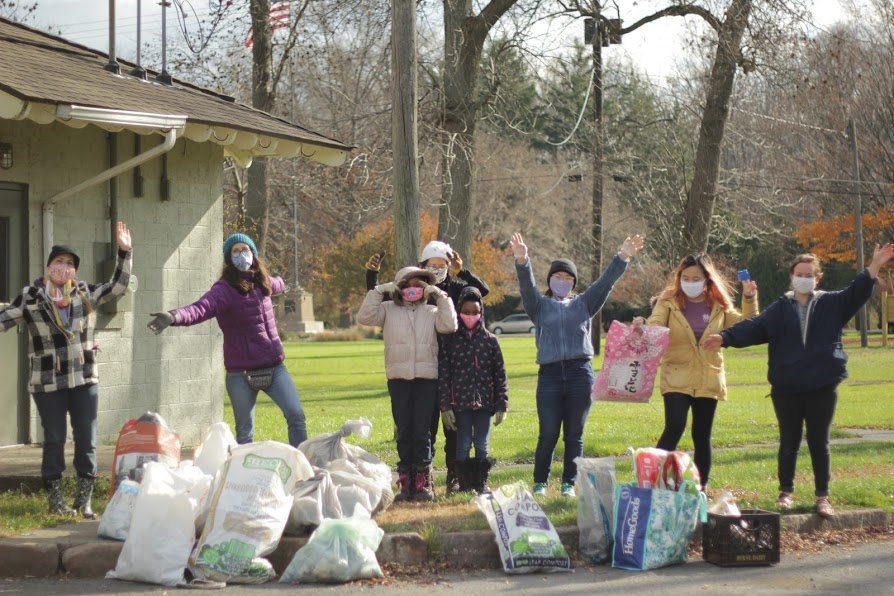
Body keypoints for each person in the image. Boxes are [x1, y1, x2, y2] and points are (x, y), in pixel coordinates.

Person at [703, 243, 894, 518]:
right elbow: (754, 327)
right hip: (787, 388)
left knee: (820, 442)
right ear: (791, 277)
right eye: (798, 273)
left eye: (809, 274)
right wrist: (725, 337)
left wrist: (874, 265)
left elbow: (858, 292)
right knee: (788, 441)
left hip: (822, 385)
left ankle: (823, 497)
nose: (803, 278)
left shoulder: (832, 303)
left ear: (817, 279)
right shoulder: (780, 308)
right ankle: (786, 493)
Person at [0, 222, 133, 516]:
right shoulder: (31, 296)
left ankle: (83, 500)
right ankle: (55, 500)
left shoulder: (85, 293)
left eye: (70, 263)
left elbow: (118, 286)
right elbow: (4, 317)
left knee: (86, 440)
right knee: (54, 439)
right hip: (47, 382)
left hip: (84, 378)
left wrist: (124, 252)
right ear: (48, 266)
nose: (65, 267)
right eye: (59, 262)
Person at [511, 232, 645, 497]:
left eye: (568, 278)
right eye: (558, 277)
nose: (563, 281)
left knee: (574, 434)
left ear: (574, 283)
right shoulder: (539, 306)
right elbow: (527, 286)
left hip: (579, 374)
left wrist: (623, 255)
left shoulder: (584, 303)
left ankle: (569, 484)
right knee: (547, 434)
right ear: (550, 280)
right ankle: (540, 483)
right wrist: (522, 259)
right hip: (549, 376)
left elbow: (605, 283)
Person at [147, 233, 307, 448]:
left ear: (254, 254)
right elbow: (199, 309)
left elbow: (278, 284)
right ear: (229, 258)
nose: (242, 254)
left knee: (296, 415)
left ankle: (303, 467)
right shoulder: (223, 290)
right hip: (241, 374)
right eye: (236, 251)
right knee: (244, 433)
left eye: (245, 250)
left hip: (274, 368)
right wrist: (174, 316)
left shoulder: (264, 283)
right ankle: (244, 476)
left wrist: (281, 282)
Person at [365, 240, 490, 494]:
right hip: (424, 365)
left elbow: (479, 293)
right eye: (432, 265)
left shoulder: (450, 290)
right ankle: (424, 477)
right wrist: (372, 276)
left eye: (441, 265)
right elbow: (382, 300)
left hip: (452, 365)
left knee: (453, 428)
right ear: (422, 266)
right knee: (425, 426)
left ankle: (455, 475)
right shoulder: (414, 287)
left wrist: (460, 272)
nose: (437, 269)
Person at [633, 254, 759, 490]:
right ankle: (651, 482)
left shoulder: (718, 306)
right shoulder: (668, 301)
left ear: (707, 280)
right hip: (676, 375)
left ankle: (701, 489)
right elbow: (656, 324)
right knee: (675, 426)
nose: (690, 282)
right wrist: (644, 328)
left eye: (696, 278)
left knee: (702, 436)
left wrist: (750, 298)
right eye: (685, 278)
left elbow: (747, 325)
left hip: (708, 377)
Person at [357, 266, 457, 501]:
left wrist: (441, 295)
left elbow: (450, 325)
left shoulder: (432, 312)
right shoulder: (388, 310)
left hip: (426, 378)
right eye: (409, 285)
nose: (414, 290)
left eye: (420, 285)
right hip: (398, 378)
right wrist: (380, 289)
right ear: (400, 287)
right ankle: (406, 482)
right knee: (404, 431)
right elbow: (364, 317)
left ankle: (422, 483)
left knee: (422, 431)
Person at [438, 286, 508, 494]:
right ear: (459, 312)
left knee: (481, 442)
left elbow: (500, 374)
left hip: (485, 403)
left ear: (481, 313)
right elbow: (444, 374)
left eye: (475, 312)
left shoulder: (490, 341)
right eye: (466, 312)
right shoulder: (451, 341)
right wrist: (445, 406)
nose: (470, 316)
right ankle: (464, 483)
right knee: (463, 442)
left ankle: (480, 482)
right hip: (459, 402)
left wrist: (501, 404)